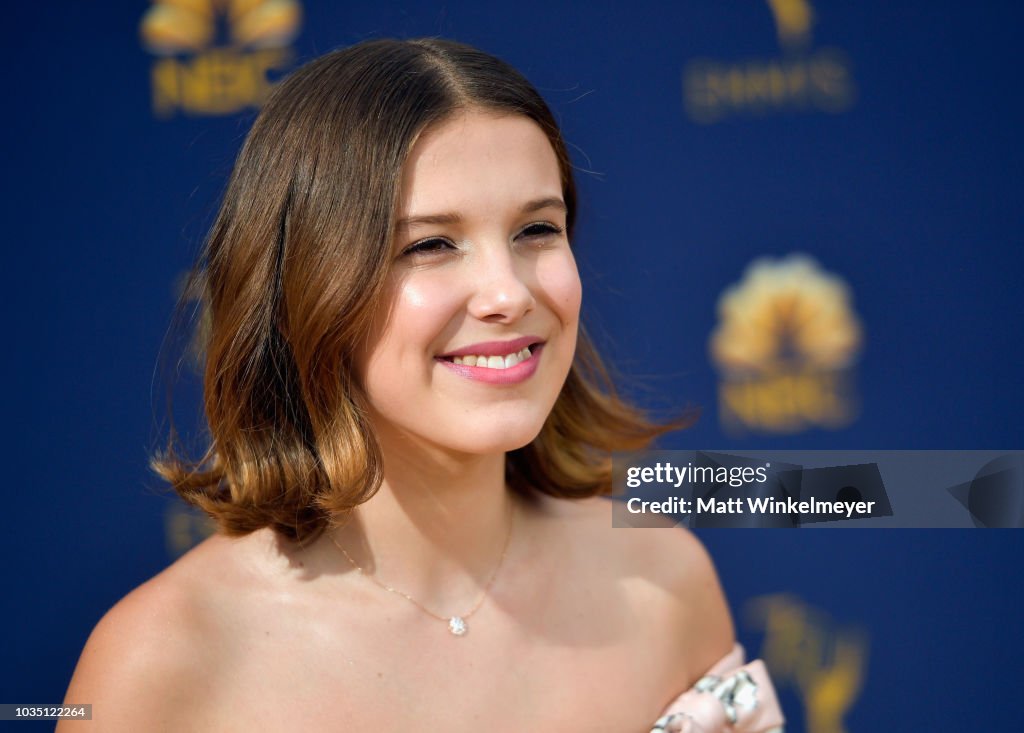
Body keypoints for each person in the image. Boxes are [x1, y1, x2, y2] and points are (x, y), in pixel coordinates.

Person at [61, 38, 784, 732]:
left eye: (537, 229)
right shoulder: (166, 657)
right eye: (430, 244)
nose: (506, 292)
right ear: (306, 288)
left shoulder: (661, 579)